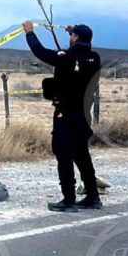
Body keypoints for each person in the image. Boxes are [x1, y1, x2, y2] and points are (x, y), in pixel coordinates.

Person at [22, 20, 103, 212]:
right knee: (81, 154)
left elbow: (40, 52)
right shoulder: (95, 58)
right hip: (84, 114)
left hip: (65, 113)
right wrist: (74, 32)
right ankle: (93, 197)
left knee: (63, 152)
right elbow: (76, 57)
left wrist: (29, 33)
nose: (70, 37)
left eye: (72, 35)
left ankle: (69, 199)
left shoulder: (66, 57)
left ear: (76, 38)